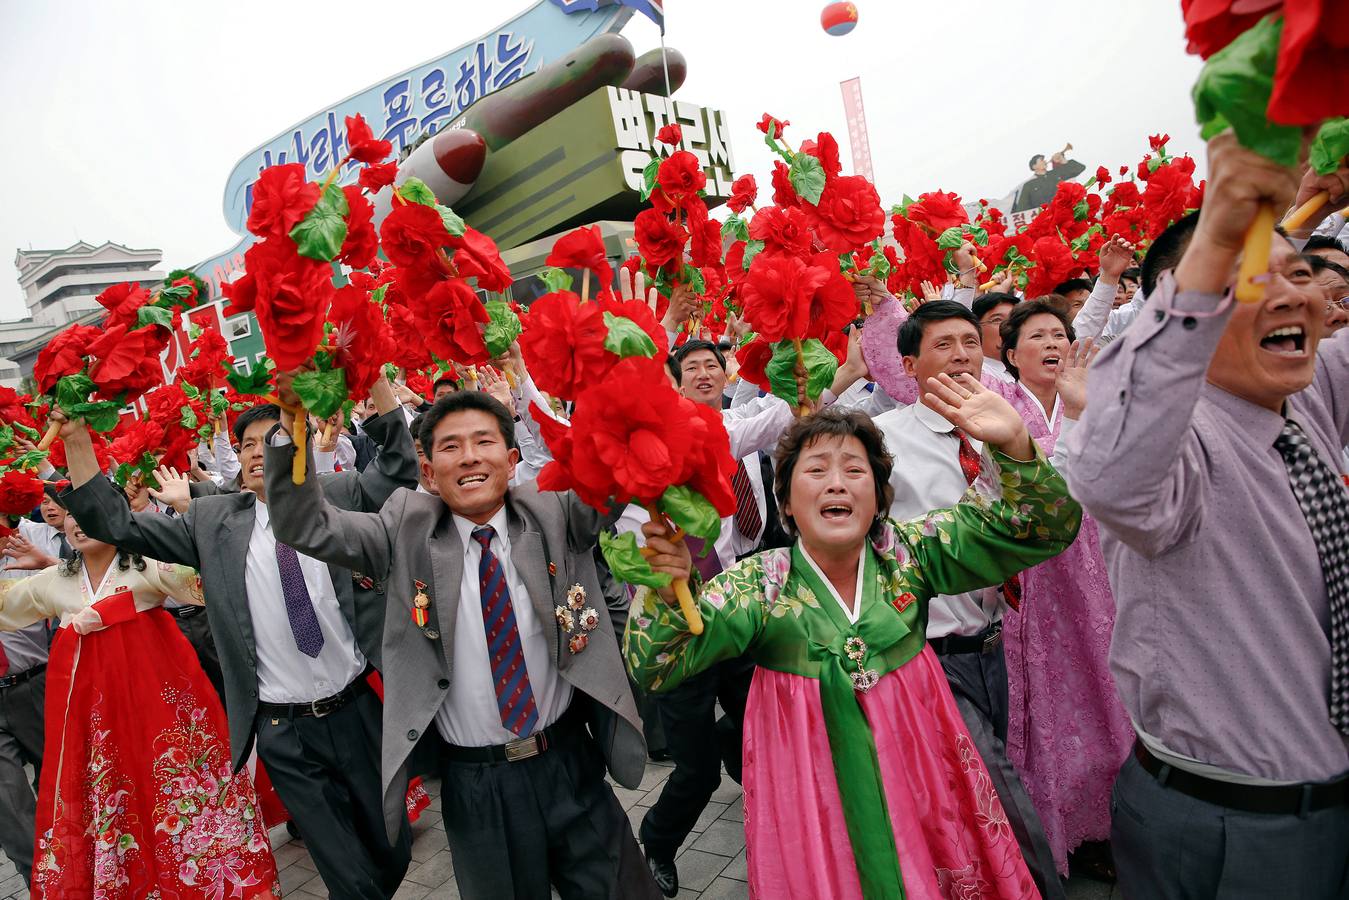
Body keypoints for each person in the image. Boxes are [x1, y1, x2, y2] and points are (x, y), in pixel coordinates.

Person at [626, 402, 1081, 899]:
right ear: (787, 504)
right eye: (816, 470)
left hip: (923, 782)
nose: (836, 483)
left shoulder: (911, 554)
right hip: (817, 802)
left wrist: (1014, 444)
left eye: (854, 470)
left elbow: (1041, 527)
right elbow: (656, 665)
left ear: (880, 498)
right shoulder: (760, 585)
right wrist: (670, 594)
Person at [1064, 132, 1349, 899]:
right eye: (1255, 279)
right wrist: (1222, 227)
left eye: (1303, 276)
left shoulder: (1303, 394)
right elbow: (1106, 475)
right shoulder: (1175, 446)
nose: (1297, 295)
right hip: (1235, 830)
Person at [262, 387, 663, 900]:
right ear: (428, 472)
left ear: (511, 459)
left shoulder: (552, 512)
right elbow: (305, 524)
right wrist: (292, 422)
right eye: (450, 447)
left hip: (569, 762)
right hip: (477, 787)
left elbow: (617, 478)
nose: (469, 456)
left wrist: (618, 374)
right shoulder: (403, 530)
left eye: (484, 442)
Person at [57, 376, 418, 900]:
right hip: (283, 729)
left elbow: (400, 468)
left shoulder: (340, 494)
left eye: (272, 439)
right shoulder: (212, 520)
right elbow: (117, 524)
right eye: (247, 444)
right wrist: (75, 442)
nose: (256, 452)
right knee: (343, 868)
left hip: (359, 707)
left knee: (391, 847)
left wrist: (379, 383)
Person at [872, 299, 1065, 900]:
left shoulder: (1005, 427)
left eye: (969, 342)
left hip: (994, 644)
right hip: (928, 657)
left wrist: (1012, 448)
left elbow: (1037, 518)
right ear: (909, 363)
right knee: (1001, 791)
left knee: (977, 788)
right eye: (943, 346)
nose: (961, 356)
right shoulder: (883, 441)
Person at [0, 512, 279, 898]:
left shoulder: (146, 567)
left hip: (159, 717)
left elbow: (205, 584)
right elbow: (6, 606)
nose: (76, 522)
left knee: (174, 797)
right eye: (69, 516)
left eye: (88, 512)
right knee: (114, 807)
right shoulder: (56, 581)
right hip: (99, 729)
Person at [621, 338, 796, 896]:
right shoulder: (629, 483)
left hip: (734, 621)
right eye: (688, 367)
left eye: (710, 364)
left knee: (763, 734)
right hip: (676, 640)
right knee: (694, 775)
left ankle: (745, 759)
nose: (701, 373)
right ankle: (659, 842)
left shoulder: (714, 436)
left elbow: (784, 413)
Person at [1013, 150, 1085, 212]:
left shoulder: (1056, 173)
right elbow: (1022, 209)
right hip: (1044, 221)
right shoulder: (1029, 185)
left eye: (1044, 159)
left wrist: (1063, 160)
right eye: (1041, 160)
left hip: (1063, 213)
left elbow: (1080, 168)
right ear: (1034, 166)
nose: (1045, 161)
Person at [972, 293, 1019, 384]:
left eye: (1014, 319)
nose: (1009, 326)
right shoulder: (977, 374)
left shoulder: (1030, 369)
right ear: (975, 328)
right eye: (997, 320)